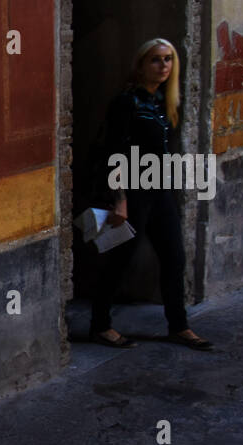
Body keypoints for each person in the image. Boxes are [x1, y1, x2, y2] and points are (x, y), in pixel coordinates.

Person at [87, 37, 213, 351]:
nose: (163, 66)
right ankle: (100, 325)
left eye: (168, 59)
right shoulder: (126, 101)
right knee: (121, 258)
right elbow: (112, 151)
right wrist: (119, 199)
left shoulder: (165, 101)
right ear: (141, 64)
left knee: (174, 257)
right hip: (132, 189)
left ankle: (178, 326)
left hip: (160, 188)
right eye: (156, 60)